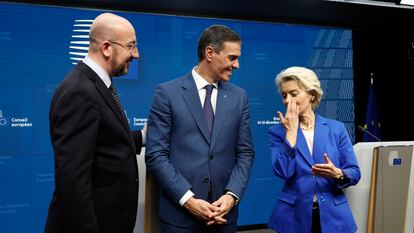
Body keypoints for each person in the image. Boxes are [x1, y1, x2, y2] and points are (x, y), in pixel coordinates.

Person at [145, 25, 255, 233]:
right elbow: (156, 155)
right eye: (232, 57)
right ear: (210, 53)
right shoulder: (167, 93)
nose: (237, 65)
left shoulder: (239, 97)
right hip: (180, 219)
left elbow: (246, 153)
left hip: (223, 218)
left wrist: (231, 196)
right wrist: (188, 200)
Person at [44, 13, 146, 233]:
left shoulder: (95, 83)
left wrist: (142, 137)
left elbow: (103, 140)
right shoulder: (80, 91)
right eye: (131, 46)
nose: (136, 55)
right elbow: (72, 183)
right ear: (107, 48)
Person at [267, 66, 361, 233]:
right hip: (293, 217)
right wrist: (291, 133)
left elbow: (354, 172)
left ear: (312, 94)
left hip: (333, 216)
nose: (287, 100)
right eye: (284, 95)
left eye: (293, 94)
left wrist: (338, 173)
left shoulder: (336, 128)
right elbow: (283, 172)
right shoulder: (278, 131)